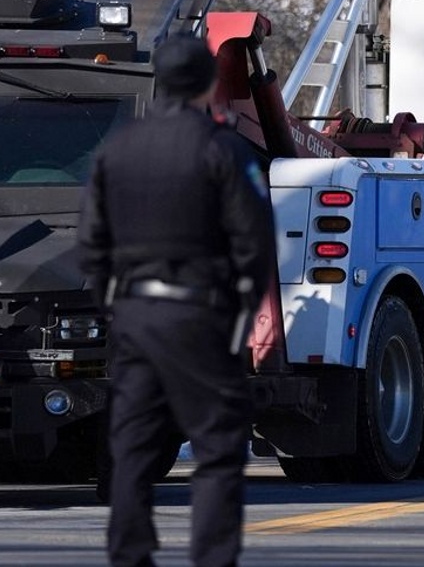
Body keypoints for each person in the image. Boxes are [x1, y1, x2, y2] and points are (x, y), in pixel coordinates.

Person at [77, 34, 276, 567]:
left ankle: (130, 556)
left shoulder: (114, 150)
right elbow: (254, 240)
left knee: (133, 450)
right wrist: (240, 313)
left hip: (134, 316)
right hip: (201, 312)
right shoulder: (223, 148)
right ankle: (211, 558)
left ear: (157, 82)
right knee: (216, 450)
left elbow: (91, 245)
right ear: (209, 84)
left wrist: (114, 308)